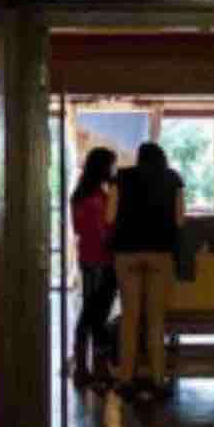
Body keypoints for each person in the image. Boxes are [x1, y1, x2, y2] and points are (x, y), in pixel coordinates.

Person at [109, 141, 183, 398]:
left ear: (139, 158)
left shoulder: (121, 177)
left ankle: (126, 379)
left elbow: (109, 217)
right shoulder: (173, 178)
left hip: (126, 252)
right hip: (160, 253)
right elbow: (179, 220)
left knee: (130, 317)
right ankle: (158, 380)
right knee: (156, 319)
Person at [67, 147, 119, 387]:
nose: (114, 170)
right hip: (102, 260)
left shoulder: (79, 195)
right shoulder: (98, 198)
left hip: (87, 258)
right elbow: (104, 231)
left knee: (90, 313)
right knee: (96, 315)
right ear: (103, 167)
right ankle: (97, 369)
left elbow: (79, 229)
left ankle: (83, 367)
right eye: (111, 165)